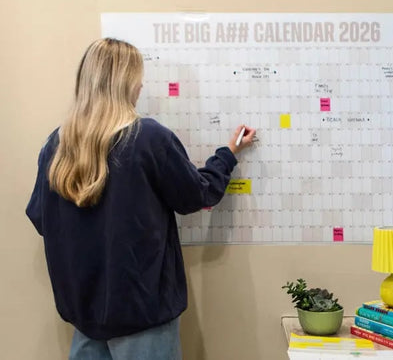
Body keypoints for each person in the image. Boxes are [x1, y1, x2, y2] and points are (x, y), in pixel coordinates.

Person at [25, 38, 256, 360]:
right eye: (138, 78)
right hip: (142, 315)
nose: (142, 85)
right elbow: (197, 196)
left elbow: (41, 218)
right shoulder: (148, 138)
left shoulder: (57, 144)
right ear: (126, 84)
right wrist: (227, 155)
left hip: (84, 316)